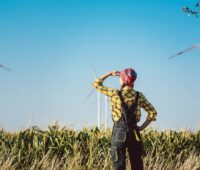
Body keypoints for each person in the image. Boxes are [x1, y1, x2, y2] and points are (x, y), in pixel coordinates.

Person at [92, 68, 157, 170]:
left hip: (119, 133)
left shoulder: (114, 93)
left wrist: (110, 73)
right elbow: (152, 112)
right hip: (134, 133)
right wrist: (141, 127)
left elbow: (96, 84)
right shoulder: (139, 96)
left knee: (118, 165)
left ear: (122, 79)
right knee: (137, 165)